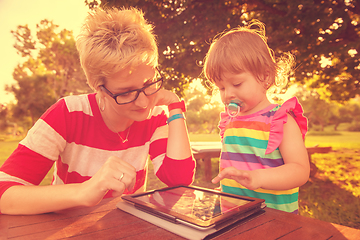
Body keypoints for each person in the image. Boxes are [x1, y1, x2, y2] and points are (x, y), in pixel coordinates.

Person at [0, 7, 195, 215]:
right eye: (126, 92)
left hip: (126, 229)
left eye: (148, 83)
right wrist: (84, 191)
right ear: (99, 89)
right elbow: (5, 192)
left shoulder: (155, 115)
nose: (143, 102)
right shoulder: (67, 113)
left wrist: (175, 107)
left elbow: (179, 180)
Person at [203, 20, 309, 213]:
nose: (227, 94)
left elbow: (300, 170)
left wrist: (258, 178)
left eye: (236, 84)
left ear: (266, 77)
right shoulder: (230, 121)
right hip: (232, 214)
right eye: (221, 87)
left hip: (274, 219)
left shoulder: (279, 120)